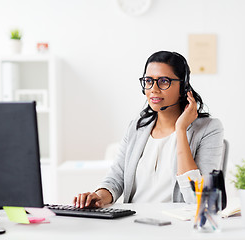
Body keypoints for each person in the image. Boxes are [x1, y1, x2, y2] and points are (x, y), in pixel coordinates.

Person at [73, 51, 224, 208]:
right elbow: (116, 179)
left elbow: (198, 199)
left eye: (164, 81)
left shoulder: (209, 129)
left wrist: (180, 129)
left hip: (176, 227)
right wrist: (98, 196)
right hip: (133, 223)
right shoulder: (136, 128)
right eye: (148, 81)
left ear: (183, 86)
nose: (154, 89)